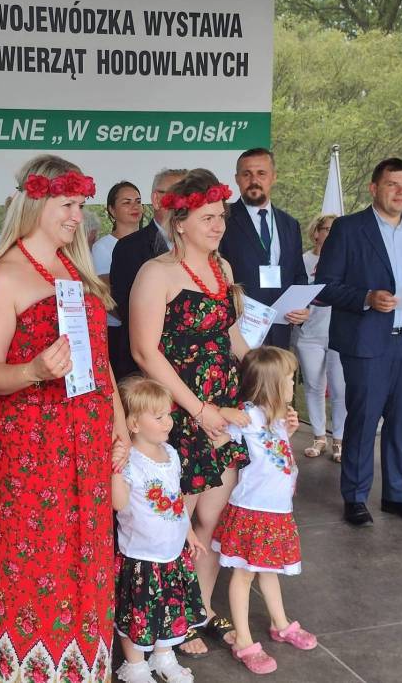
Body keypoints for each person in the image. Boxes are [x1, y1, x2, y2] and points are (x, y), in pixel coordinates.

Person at [0, 154, 129, 683]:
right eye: (67, 204)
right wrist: (34, 370)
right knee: (35, 564)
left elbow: (101, 363)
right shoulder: (3, 276)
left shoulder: (77, 271)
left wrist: (119, 426)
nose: (76, 216)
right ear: (36, 202)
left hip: (88, 440)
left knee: (89, 563)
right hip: (33, 448)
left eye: (80, 205)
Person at [129, 169, 251, 658]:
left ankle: (198, 609)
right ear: (180, 222)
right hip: (176, 414)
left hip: (222, 409)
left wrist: (264, 380)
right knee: (171, 523)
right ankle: (167, 618)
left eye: (221, 217)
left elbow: (231, 336)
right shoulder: (155, 272)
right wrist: (198, 410)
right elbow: (144, 352)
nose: (218, 225)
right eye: (207, 217)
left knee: (211, 521)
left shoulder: (222, 268)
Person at [316, 158, 402, 527]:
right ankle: (356, 498)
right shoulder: (348, 228)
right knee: (363, 421)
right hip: (368, 343)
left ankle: (397, 495)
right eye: (392, 184)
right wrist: (366, 297)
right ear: (374, 188)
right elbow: (325, 286)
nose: (401, 192)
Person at [212, 347, 316, 675]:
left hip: (277, 512)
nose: (293, 383)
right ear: (271, 385)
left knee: (269, 570)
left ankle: (280, 623)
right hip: (252, 512)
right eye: (289, 379)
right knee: (244, 575)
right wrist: (222, 413)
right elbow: (215, 437)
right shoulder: (248, 416)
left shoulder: (278, 418)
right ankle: (243, 640)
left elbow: (276, 454)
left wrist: (289, 432)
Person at [112, 376, 207, 683]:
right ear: (133, 424)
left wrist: (189, 532)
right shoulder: (130, 462)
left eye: (168, 414)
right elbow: (118, 503)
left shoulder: (170, 453)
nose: (168, 422)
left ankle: (163, 654)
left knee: (169, 607)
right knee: (137, 615)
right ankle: (135, 665)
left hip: (171, 554)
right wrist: (114, 469)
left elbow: (176, 498)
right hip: (142, 557)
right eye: (159, 417)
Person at [219, 148, 309, 349]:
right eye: (246, 174)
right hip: (239, 330)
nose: (254, 180)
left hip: (281, 329)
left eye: (261, 173)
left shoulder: (289, 224)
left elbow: (298, 274)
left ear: (273, 177)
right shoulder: (222, 220)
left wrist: (302, 307)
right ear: (237, 179)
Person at [110, 169, 187, 379]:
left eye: (189, 195)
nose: (184, 203)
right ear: (156, 199)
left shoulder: (199, 245)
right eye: (177, 195)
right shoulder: (128, 248)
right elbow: (125, 307)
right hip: (146, 369)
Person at [293, 213, 346, 462]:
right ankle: (318, 437)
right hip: (309, 335)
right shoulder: (303, 261)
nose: (333, 235)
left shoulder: (347, 261)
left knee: (340, 389)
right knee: (314, 386)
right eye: (328, 229)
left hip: (339, 334)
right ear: (316, 232)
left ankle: (339, 439)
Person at [91, 182, 143, 368]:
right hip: (119, 331)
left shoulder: (152, 242)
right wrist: (135, 323)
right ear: (112, 210)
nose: (134, 206)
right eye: (126, 202)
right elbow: (107, 295)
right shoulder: (102, 247)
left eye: (138, 201)